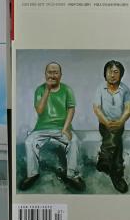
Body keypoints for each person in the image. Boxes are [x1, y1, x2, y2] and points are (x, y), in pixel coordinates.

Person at [20, 62, 84, 192]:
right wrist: (47, 90)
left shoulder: (67, 90)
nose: (52, 75)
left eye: (56, 72)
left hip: (62, 128)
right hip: (41, 128)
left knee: (74, 141)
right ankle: (32, 174)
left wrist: (65, 128)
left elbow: (71, 110)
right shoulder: (40, 90)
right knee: (29, 141)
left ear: (60, 75)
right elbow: (39, 110)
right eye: (50, 72)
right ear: (45, 74)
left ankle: (72, 175)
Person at [92, 60, 130, 193]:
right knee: (116, 140)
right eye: (110, 72)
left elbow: (128, 110)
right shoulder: (100, 88)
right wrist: (106, 122)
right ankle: (117, 174)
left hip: (119, 124)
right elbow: (97, 109)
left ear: (121, 74)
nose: (112, 75)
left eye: (116, 72)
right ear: (105, 73)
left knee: (115, 137)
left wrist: (120, 122)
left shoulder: (125, 89)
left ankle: (104, 159)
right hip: (104, 123)